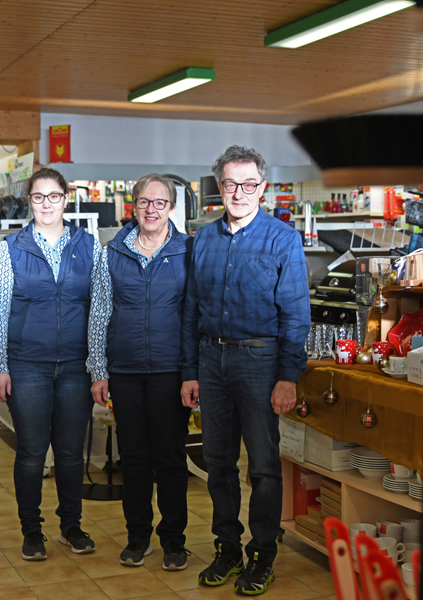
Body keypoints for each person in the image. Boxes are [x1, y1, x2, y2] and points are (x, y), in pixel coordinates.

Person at [180, 146, 310, 595]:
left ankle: (263, 554)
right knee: (218, 463)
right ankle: (227, 547)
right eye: (231, 183)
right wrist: (189, 371)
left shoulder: (282, 239)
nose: (239, 192)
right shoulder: (203, 240)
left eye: (249, 183)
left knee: (263, 465)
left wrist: (288, 376)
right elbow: (190, 311)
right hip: (210, 361)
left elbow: (296, 315)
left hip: (261, 362)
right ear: (220, 186)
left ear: (263, 187)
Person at [0, 167, 104, 560]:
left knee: (71, 453)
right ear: (29, 201)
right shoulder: (11, 248)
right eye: (38, 197)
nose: (46, 204)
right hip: (27, 365)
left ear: (66, 198)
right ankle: (31, 531)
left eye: (53, 196)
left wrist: (99, 367)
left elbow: (101, 309)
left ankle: (71, 526)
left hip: (76, 365)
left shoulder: (90, 246)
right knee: (32, 452)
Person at [88, 174, 193, 571]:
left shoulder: (187, 251)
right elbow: (99, 314)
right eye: (144, 202)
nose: (152, 209)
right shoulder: (110, 253)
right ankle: (137, 538)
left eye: (160, 202)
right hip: (126, 371)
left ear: (171, 208)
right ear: (132, 206)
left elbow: (192, 314)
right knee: (133, 459)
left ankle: (174, 541)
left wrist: (191, 372)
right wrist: (99, 370)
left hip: (171, 371)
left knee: (169, 459)